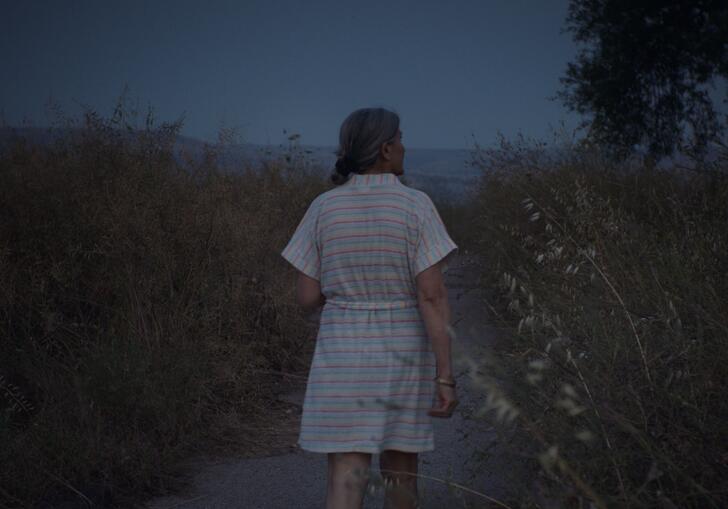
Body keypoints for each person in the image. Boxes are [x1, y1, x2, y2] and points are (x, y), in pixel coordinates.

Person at [281, 107, 459, 509]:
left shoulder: (323, 209)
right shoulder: (417, 207)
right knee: (400, 473)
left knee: (345, 476)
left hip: (340, 351)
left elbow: (307, 298)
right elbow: (431, 297)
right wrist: (445, 376)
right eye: (400, 138)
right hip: (401, 351)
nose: (404, 146)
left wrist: (345, 291)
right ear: (385, 148)